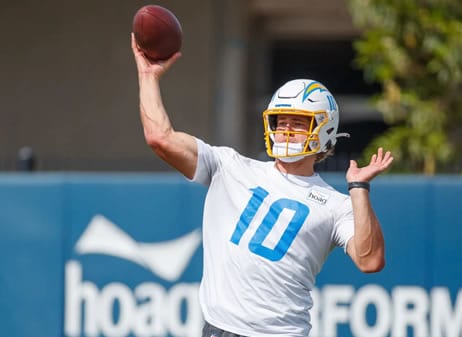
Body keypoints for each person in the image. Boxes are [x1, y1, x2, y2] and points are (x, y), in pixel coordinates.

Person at [131, 34, 393, 337]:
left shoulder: (335, 205)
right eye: (281, 121)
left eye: (298, 123)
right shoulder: (229, 166)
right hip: (219, 330)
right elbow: (160, 138)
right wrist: (147, 76)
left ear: (325, 130)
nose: (285, 130)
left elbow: (370, 260)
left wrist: (359, 189)